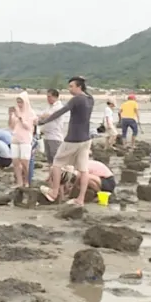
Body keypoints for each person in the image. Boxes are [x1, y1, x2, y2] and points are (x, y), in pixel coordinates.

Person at [38, 77, 95, 206]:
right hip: (86, 139)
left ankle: (54, 192)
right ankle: (80, 199)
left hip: (73, 138)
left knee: (57, 163)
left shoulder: (76, 99)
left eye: (71, 86)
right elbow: (87, 92)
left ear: (79, 87)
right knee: (83, 169)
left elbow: (60, 112)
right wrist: (83, 82)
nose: (69, 89)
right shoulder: (90, 99)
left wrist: (43, 121)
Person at [9, 92, 36, 187]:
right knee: (15, 162)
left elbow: (28, 127)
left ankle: (26, 181)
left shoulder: (31, 113)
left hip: (25, 139)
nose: (19, 104)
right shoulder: (16, 112)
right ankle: (19, 182)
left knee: (25, 162)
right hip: (15, 138)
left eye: (21, 102)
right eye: (18, 102)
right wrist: (10, 115)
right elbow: (11, 126)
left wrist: (20, 117)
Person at [38, 89, 66, 165]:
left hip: (55, 137)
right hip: (47, 136)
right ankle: (51, 171)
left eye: (49, 97)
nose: (48, 99)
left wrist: (41, 117)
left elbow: (47, 115)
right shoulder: (49, 107)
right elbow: (41, 115)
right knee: (49, 159)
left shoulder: (58, 107)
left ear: (55, 97)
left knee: (56, 160)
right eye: (47, 97)